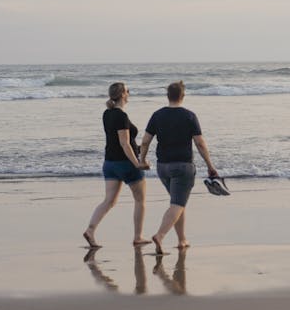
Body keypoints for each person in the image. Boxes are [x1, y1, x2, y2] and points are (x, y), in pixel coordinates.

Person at [139, 80, 219, 255]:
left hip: (162, 167)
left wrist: (142, 160)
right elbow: (200, 143)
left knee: (177, 203)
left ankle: (182, 239)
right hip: (183, 167)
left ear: (168, 96)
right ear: (183, 96)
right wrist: (210, 165)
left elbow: (145, 141)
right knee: (177, 203)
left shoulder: (157, 115)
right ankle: (160, 235)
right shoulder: (189, 116)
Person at [83, 81, 149, 249]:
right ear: (123, 95)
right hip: (126, 164)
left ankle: (90, 229)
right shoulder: (121, 116)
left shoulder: (107, 113)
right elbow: (124, 143)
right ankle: (138, 237)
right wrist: (138, 163)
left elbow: (117, 140)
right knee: (140, 200)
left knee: (109, 201)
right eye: (128, 90)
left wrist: (139, 149)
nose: (129, 93)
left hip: (110, 163)